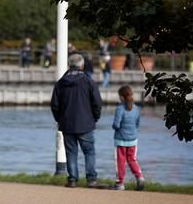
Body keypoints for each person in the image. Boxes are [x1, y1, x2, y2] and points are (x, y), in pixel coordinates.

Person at [51, 53, 103, 188]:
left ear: (69, 65)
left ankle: (72, 179)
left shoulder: (60, 83)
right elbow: (97, 103)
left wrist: (60, 120)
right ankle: (91, 179)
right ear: (82, 66)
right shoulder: (88, 81)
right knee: (89, 151)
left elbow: (55, 105)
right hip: (86, 123)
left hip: (67, 124)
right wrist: (95, 118)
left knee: (71, 152)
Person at [112, 85, 146, 191]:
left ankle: (120, 183)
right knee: (132, 159)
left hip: (120, 140)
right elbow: (137, 123)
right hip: (133, 140)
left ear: (122, 97)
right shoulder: (136, 109)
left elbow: (116, 125)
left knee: (120, 161)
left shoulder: (120, 109)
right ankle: (139, 177)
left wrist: (114, 127)